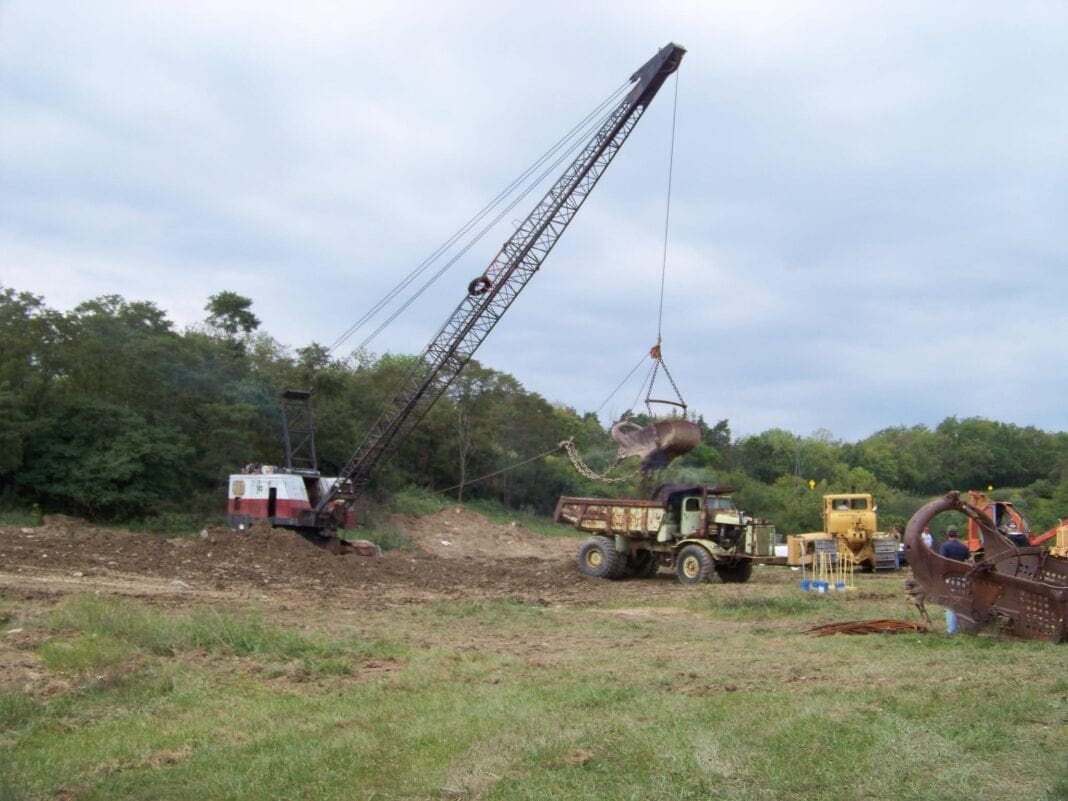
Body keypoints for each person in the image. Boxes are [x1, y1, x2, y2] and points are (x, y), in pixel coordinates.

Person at [939, 526, 970, 635]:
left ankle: (952, 630)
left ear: (948, 535)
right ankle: (961, 626)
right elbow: (969, 560)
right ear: (957, 535)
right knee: (960, 601)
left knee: (950, 602)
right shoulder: (963, 547)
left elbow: (942, 562)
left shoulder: (945, 546)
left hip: (950, 578)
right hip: (961, 578)